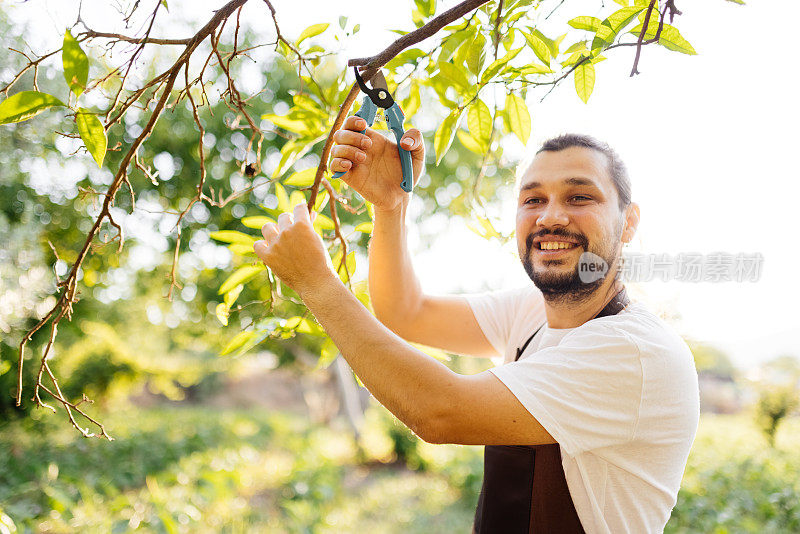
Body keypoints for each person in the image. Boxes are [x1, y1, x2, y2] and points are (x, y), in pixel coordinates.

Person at [253, 116, 700, 533]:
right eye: (533, 199)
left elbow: (439, 411)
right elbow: (405, 312)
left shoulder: (634, 351)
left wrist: (317, 285)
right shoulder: (532, 311)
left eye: (579, 196)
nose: (550, 217)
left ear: (629, 223)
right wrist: (391, 207)